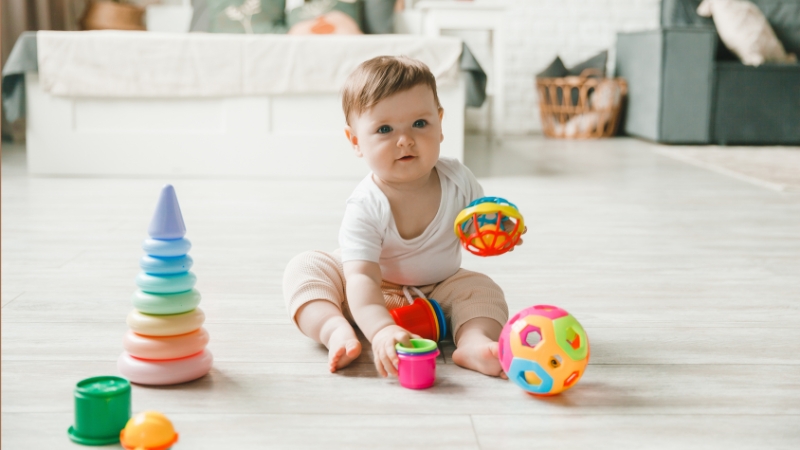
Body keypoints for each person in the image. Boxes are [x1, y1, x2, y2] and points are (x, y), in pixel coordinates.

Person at [283, 56, 522, 378]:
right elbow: (361, 278)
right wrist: (380, 328)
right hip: (371, 289)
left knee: (481, 289)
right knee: (305, 267)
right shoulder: (366, 205)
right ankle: (334, 329)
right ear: (356, 141)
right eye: (384, 129)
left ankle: (474, 343)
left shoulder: (458, 179)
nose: (405, 139)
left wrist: (502, 229)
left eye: (420, 124)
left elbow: (481, 221)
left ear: (439, 124)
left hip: (441, 287)